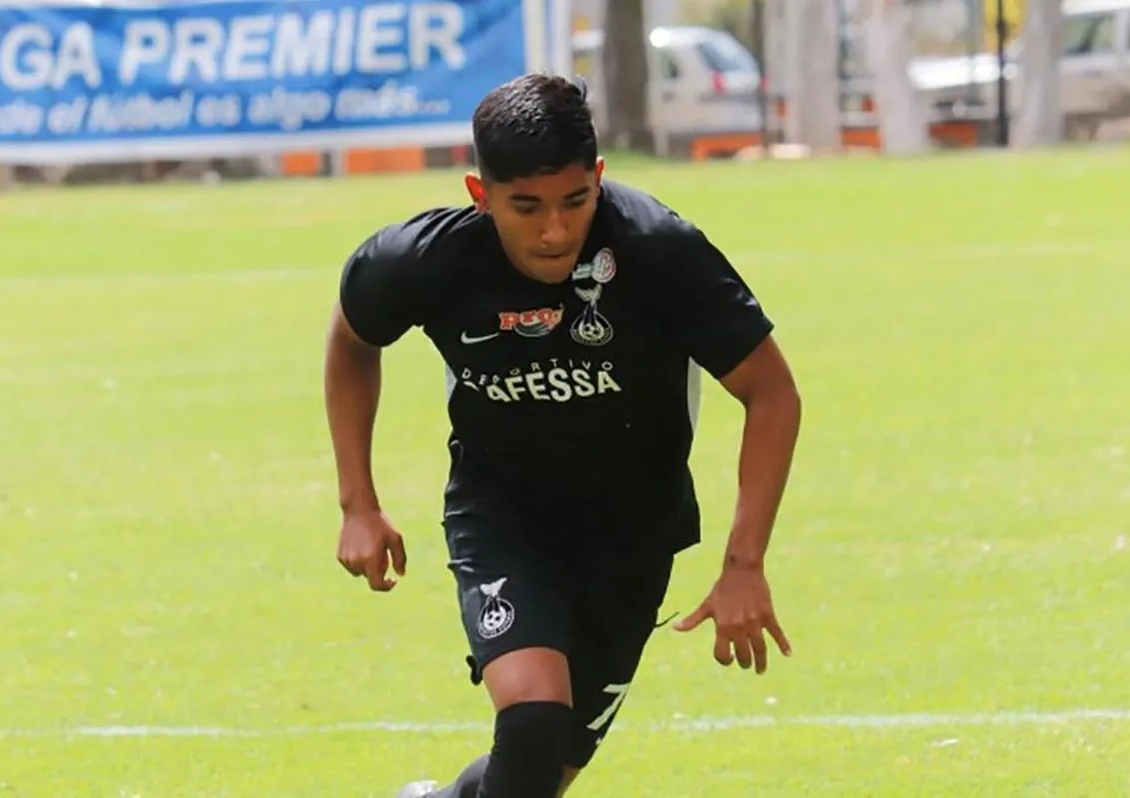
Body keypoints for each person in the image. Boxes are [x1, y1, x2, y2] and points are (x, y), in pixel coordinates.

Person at [323, 73, 802, 798]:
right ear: (480, 195)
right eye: (526, 208)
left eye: (576, 202)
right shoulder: (421, 261)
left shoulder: (658, 251)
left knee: (540, 773)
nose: (555, 230)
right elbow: (353, 342)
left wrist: (745, 563)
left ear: (599, 179)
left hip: (633, 535)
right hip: (502, 515)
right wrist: (357, 502)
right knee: (535, 722)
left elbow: (771, 394)